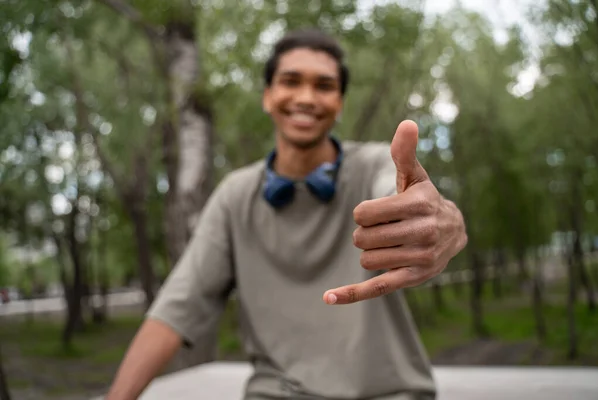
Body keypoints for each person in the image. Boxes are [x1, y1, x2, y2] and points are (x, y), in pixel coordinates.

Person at [106, 28, 467, 400]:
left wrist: (445, 220)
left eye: (324, 86)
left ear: (340, 103)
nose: (306, 98)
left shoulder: (375, 165)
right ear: (268, 96)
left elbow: (408, 198)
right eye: (290, 81)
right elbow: (176, 310)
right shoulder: (235, 196)